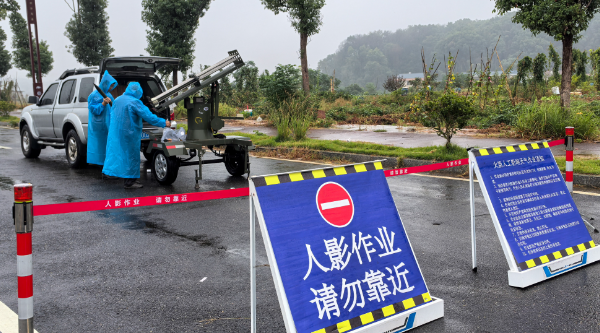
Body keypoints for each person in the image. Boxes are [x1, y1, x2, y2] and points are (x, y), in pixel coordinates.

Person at [103, 82, 170, 189]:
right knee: (131, 156)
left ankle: (110, 174)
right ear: (138, 91)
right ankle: (129, 182)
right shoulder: (135, 102)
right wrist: (164, 123)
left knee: (116, 153)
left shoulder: (117, 99)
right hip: (129, 133)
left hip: (115, 132)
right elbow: (149, 117)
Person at [87, 71, 117, 169]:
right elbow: (93, 110)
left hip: (108, 124)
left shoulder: (109, 95)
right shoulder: (94, 95)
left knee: (109, 146)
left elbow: (113, 108)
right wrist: (103, 104)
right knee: (99, 146)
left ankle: (107, 166)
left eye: (112, 86)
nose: (111, 88)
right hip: (98, 126)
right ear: (105, 83)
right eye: (110, 85)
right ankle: (103, 167)